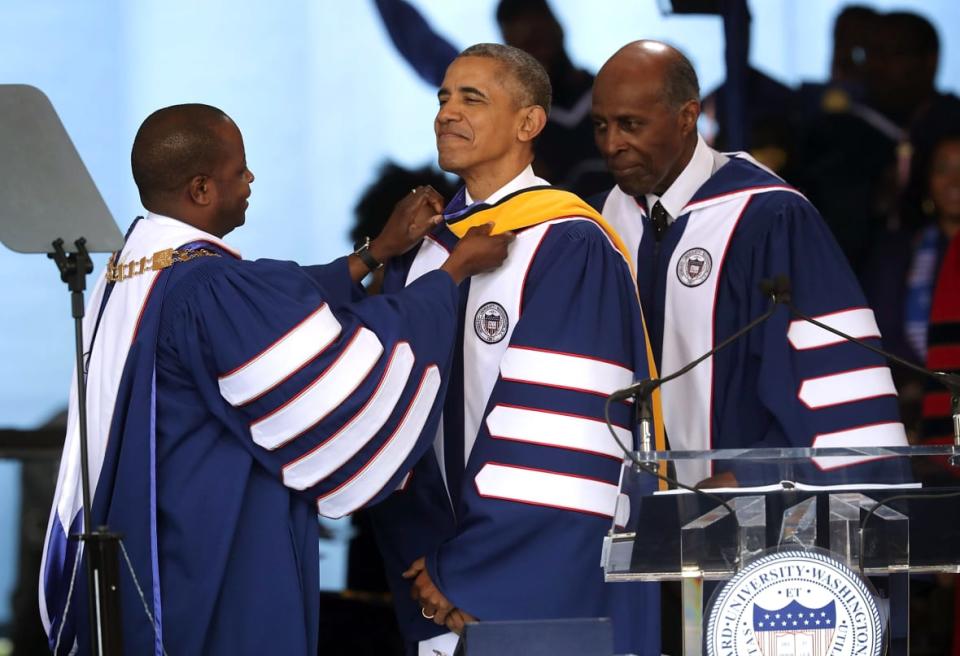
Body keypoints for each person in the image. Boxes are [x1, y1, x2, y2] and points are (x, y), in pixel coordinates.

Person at [39, 103, 512, 655]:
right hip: (209, 546)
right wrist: (452, 275)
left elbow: (272, 307)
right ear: (199, 189)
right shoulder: (207, 287)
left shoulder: (135, 268)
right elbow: (333, 358)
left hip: (153, 537)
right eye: (239, 170)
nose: (251, 179)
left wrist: (374, 254)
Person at [369, 44, 661, 656]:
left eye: (472, 98)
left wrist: (468, 571)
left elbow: (562, 443)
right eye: (443, 97)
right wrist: (428, 562)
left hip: (527, 573)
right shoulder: (425, 249)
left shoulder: (567, 243)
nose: (447, 113)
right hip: (429, 566)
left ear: (529, 123)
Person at [591, 41, 907, 488]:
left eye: (630, 125)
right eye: (600, 126)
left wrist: (749, 477)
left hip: (745, 520)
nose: (612, 144)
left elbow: (830, 395)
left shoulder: (769, 219)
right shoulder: (598, 225)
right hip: (625, 510)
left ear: (687, 117)